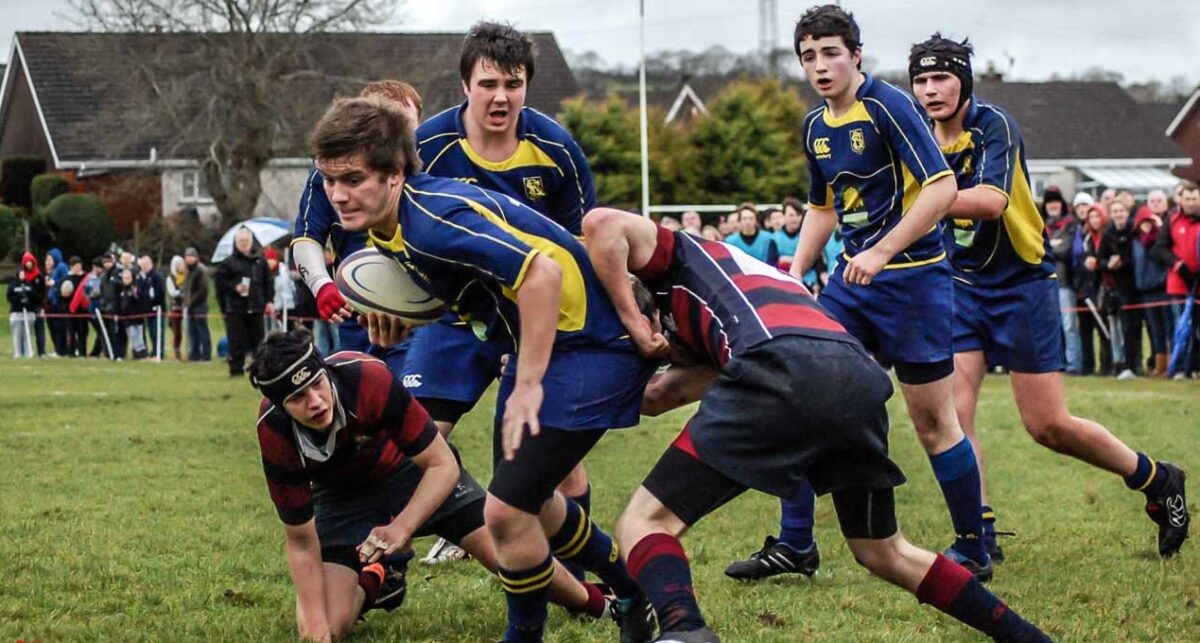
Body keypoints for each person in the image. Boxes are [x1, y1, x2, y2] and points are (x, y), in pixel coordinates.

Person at [583, 206, 1051, 643]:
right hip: (854, 373)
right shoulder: (736, 287)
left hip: (778, 366)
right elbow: (661, 396)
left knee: (643, 522)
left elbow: (601, 222)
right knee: (884, 551)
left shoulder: (677, 257)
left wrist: (631, 327)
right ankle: (1028, 637)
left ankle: (684, 631)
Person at [309, 95, 656, 642]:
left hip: (587, 342)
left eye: (352, 179)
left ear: (395, 174)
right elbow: (467, 287)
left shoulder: (431, 221)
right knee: (530, 505)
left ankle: (556, 624)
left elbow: (539, 274)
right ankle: (634, 594)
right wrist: (407, 320)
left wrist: (530, 384)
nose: (337, 194)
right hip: (539, 341)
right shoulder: (388, 224)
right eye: (329, 180)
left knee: (507, 510)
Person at [732, 5, 991, 583]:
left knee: (932, 422)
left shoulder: (887, 105)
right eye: (808, 57)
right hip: (851, 287)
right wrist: (794, 270)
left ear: (855, 55)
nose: (820, 67)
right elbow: (824, 207)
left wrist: (882, 251)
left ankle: (973, 546)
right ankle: (797, 542)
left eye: (830, 53)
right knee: (805, 395)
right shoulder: (815, 126)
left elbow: (942, 187)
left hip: (916, 285)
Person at [910, 33, 1189, 560]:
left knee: (1048, 427)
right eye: (920, 80)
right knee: (953, 416)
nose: (930, 89)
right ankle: (979, 535)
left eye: (941, 77)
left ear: (963, 80)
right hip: (962, 287)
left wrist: (918, 206)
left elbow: (991, 202)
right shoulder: (920, 136)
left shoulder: (994, 126)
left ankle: (1156, 478)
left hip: (1022, 287)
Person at [248, 329, 613, 642]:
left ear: (326, 373)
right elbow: (300, 541)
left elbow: (442, 464)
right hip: (341, 496)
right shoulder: (275, 431)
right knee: (330, 622)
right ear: (280, 406)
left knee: (511, 558)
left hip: (413, 473)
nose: (314, 402)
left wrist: (401, 527)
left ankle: (596, 603)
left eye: (317, 385)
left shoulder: (367, 378)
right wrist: (317, 632)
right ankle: (380, 575)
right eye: (298, 398)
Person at [404, 23, 600, 568]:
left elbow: (581, 245)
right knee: (412, 440)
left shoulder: (556, 148)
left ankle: (580, 564)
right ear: (465, 84)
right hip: (454, 318)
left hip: (536, 320)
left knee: (556, 460)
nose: (501, 96)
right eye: (488, 83)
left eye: (513, 84)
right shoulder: (427, 148)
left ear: (526, 87)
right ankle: (451, 527)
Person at [1153, 182, 1200, 378]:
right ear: (1181, 199)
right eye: (1187, 199)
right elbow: (1160, 248)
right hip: (1179, 284)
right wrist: (1178, 265)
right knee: (1181, 327)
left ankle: (1195, 367)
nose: (1191, 203)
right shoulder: (1172, 221)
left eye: (1194, 199)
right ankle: (1180, 367)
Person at [215, 228, 275, 376]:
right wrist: (234, 287)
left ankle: (260, 371)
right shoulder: (227, 263)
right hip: (235, 308)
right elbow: (220, 285)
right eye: (241, 241)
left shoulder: (260, 261)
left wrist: (269, 301)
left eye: (246, 241)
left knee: (259, 342)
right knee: (236, 341)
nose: (244, 244)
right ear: (236, 243)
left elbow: (268, 282)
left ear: (251, 242)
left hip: (256, 307)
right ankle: (236, 370)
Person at [1098, 201, 1139, 378]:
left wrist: (1122, 261)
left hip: (1136, 284)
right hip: (1117, 287)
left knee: (1137, 328)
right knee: (1122, 328)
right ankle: (1126, 365)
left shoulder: (1134, 231)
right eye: (1115, 211)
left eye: (1121, 210)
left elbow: (1137, 256)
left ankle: (1139, 364)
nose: (1118, 214)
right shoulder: (1108, 234)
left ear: (1127, 212)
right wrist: (1109, 264)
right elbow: (1101, 259)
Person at [1133, 194, 1172, 377]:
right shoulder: (1137, 241)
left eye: (1159, 201)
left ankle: (1173, 365)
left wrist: (1160, 230)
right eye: (1144, 222)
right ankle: (1159, 366)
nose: (1147, 225)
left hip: (1163, 287)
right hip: (1146, 289)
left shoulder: (1163, 234)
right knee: (1155, 330)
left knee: (1169, 328)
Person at [1044, 187, 1082, 373]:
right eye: (1050, 202)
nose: (1053, 205)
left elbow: (1065, 250)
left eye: (1056, 202)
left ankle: (1074, 363)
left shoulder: (1071, 224)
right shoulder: (1041, 224)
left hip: (1065, 281)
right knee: (1052, 325)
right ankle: (1057, 362)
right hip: (1046, 282)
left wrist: (1048, 247)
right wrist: (1053, 247)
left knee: (1069, 325)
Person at [1076, 204, 1112, 375]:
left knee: (1104, 328)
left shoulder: (1108, 236)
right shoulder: (1087, 239)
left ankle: (1107, 364)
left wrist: (1098, 264)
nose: (1095, 220)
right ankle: (1088, 365)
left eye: (1098, 216)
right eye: (1092, 217)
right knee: (1086, 329)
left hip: (1105, 286)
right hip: (1088, 287)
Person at [8, 252, 44, 359]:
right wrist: (18, 301)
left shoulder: (30, 284)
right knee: (18, 334)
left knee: (28, 334)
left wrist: (29, 301)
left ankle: (29, 353)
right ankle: (18, 353)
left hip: (29, 312)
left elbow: (34, 295)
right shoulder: (13, 285)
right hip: (17, 313)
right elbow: (10, 297)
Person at [183, 247, 213, 362]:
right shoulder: (188, 270)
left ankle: (206, 355)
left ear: (196, 257)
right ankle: (194, 354)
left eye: (191, 256)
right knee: (192, 331)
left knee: (202, 330)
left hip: (200, 305)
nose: (189, 259)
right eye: (187, 256)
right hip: (190, 306)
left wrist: (192, 301)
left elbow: (203, 289)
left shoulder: (201, 270)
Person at [138, 255, 168, 360]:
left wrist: (152, 303)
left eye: (145, 265)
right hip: (148, 310)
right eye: (141, 266)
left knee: (158, 331)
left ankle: (159, 352)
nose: (143, 267)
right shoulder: (143, 277)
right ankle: (154, 350)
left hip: (157, 309)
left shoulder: (157, 276)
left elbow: (160, 293)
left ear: (150, 264)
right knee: (151, 332)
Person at [773, 197, 808, 281]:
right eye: (791, 215)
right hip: (782, 280)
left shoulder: (808, 236)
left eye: (798, 215)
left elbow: (816, 263)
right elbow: (771, 263)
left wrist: (787, 259)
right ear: (784, 216)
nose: (795, 219)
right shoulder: (774, 238)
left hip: (807, 282)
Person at [44, 247, 70, 357]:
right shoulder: (51, 271)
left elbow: (67, 279)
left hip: (59, 303)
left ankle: (62, 350)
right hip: (51, 303)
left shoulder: (61, 267)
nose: (47, 262)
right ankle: (57, 349)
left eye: (50, 259)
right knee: (53, 327)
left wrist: (54, 283)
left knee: (60, 327)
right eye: (46, 259)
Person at [117, 268, 146, 360]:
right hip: (126, 318)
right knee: (132, 334)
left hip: (137, 316)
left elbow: (140, 301)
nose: (126, 280)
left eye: (128, 278)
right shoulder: (120, 289)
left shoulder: (135, 288)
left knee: (139, 335)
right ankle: (137, 352)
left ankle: (142, 352)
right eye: (124, 278)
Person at [165, 255, 187, 360]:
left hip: (186, 307)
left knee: (188, 330)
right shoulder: (170, 278)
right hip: (175, 308)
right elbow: (172, 292)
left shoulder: (187, 276)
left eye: (183, 264)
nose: (182, 267)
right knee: (177, 332)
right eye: (179, 265)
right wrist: (182, 292)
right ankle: (177, 352)